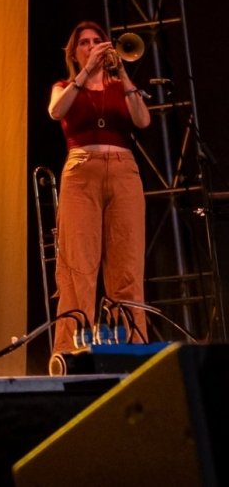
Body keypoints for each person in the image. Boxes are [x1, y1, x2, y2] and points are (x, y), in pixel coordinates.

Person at [47, 20, 151, 360]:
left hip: (123, 171)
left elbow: (143, 121)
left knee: (127, 265)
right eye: (85, 43)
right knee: (78, 266)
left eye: (98, 41)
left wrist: (123, 75)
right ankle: (71, 352)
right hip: (81, 172)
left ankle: (133, 352)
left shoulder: (121, 86)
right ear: (74, 53)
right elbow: (55, 111)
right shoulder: (64, 85)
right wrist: (85, 75)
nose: (93, 46)